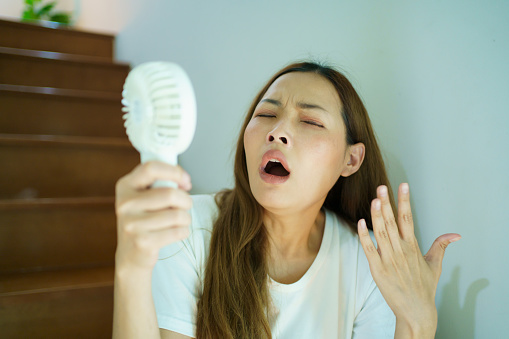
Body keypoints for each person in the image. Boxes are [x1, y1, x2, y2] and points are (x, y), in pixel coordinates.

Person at [112, 61, 461, 339]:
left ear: (350, 160)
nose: (276, 131)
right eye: (266, 114)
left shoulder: (368, 266)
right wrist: (131, 267)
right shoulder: (185, 226)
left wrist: (418, 323)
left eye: (310, 121)